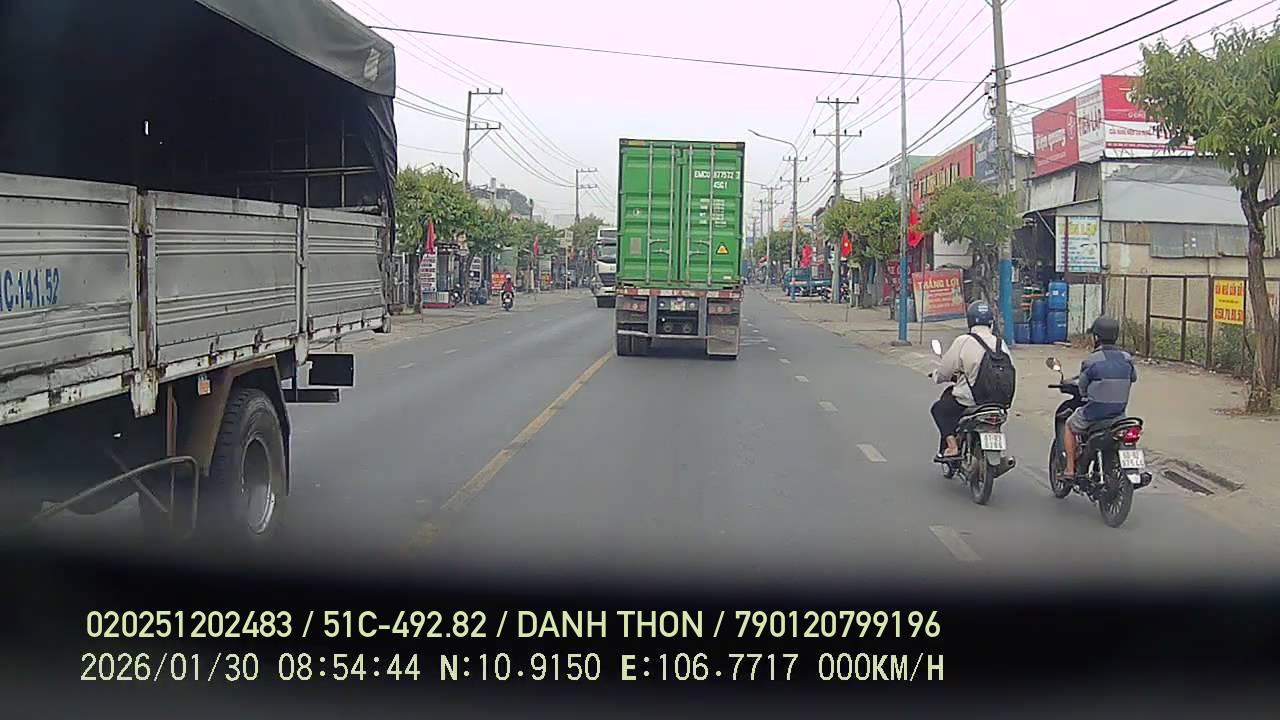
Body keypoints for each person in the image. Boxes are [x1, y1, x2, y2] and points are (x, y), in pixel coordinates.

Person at [930, 300, 1015, 460]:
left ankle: (952, 446)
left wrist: (937, 376)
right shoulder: (1000, 343)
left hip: (973, 400)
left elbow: (945, 371)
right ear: (991, 322)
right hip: (1000, 401)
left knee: (939, 409)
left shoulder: (963, 341)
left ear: (970, 321)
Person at [1063, 316, 1137, 478]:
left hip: (1095, 414)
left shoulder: (1091, 360)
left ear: (1096, 337)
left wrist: (1088, 392)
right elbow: (1133, 378)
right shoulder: (1127, 359)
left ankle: (1069, 469)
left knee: (1069, 426)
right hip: (1119, 415)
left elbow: (1082, 388)